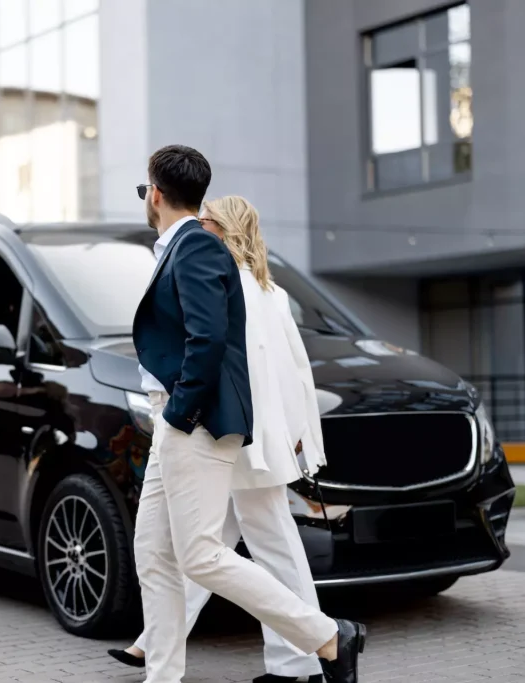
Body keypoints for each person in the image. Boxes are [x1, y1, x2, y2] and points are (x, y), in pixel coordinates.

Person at [131, 145, 365, 683]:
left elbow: (209, 341)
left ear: (157, 194)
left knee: (201, 555)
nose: (146, 198)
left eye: (145, 190)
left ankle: (328, 636)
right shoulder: (180, 247)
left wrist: (179, 414)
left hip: (191, 423)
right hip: (177, 420)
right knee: (154, 553)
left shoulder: (195, 246)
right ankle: (161, 676)